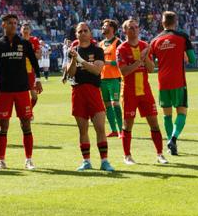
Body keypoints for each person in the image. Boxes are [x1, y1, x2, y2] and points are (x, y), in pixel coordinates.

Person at [0, 14, 43, 170]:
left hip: (22, 90)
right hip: (4, 91)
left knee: (26, 125)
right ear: (3, 25)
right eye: (10, 23)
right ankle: (1, 160)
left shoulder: (24, 43)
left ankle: (29, 160)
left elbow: (34, 61)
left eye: (15, 23)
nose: (13, 25)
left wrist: (37, 79)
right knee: (3, 126)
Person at [116, 18, 168, 164]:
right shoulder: (121, 49)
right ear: (125, 31)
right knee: (128, 125)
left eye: (136, 27)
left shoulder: (145, 46)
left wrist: (145, 58)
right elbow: (124, 71)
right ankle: (127, 156)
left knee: (154, 123)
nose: (134, 29)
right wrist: (139, 59)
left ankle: (160, 154)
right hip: (129, 91)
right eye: (130, 28)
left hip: (145, 91)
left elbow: (151, 69)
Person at [64, 21, 114, 172]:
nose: (83, 33)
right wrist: (73, 59)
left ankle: (104, 161)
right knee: (83, 129)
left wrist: (80, 59)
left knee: (100, 127)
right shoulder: (71, 51)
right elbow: (70, 73)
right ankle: (86, 161)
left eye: (85, 30)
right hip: (78, 92)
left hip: (93, 91)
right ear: (76, 35)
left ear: (90, 33)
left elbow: (97, 70)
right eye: (80, 31)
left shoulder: (97, 50)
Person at [150, 11, 196, 156]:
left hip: (163, 81)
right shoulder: (182, 37)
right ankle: (173, 139)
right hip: (178, 80)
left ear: (162, 23)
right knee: (181, 111)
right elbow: (193, 59)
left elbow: (152, 63)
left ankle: (170, 144)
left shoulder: (155, 40)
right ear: (175, 22)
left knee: (167, 115)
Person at [98, 19, 124, 138]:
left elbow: (121, 61)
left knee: (115, 103)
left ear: (112, 28)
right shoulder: (101, 44)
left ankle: (121, 130)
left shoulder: (118, 42)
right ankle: (113, 130)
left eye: (106, 26)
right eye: (103, 26)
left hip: (114, 78)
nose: (103, 27)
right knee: (107, 104)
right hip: (103, 78)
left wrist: (108, 62)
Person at [20, 22, 42, 107]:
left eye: (27, 29)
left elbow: (39, 56)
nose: (25, 30)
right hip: (19, 71)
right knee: (22, 95)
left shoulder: (34, 40)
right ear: (21, 30)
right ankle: (26, 114)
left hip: (30, 71)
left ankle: (29, 111)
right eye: (24, 29)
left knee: (34, 97)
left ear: (30, 30)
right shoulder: (17, 41)